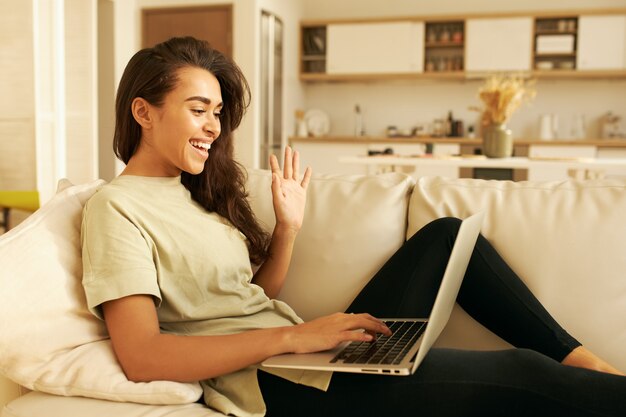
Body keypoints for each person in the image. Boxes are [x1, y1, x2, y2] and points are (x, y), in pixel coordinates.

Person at [81, 36, 626, 417]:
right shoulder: (117, 209)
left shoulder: (191, 194)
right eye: (198, 109)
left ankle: (589, 363)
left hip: (298, 355)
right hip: (276, 386)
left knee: (449, 234)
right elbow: (142, 355)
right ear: (143, 112)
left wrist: (288, 228)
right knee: (525, 375)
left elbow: (242, 298)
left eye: (218, 112)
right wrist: (296, 337)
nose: (213, 126)